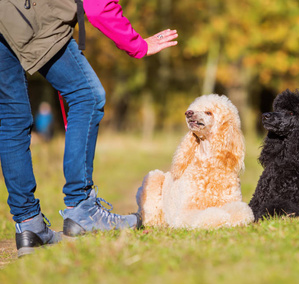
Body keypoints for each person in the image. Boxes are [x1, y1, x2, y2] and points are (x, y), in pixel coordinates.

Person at [0, 0, 178, 257]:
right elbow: (98, 5)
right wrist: (138, 45)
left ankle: (28, 225)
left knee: (11, 120)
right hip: (30, 12)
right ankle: (81, 207)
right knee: (87, 96)